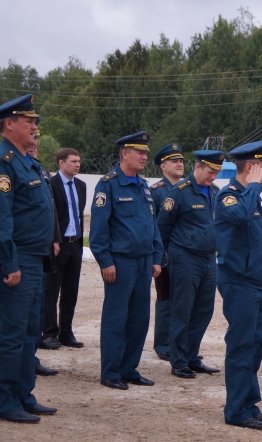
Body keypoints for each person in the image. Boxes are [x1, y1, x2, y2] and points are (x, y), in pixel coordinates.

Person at [214, 139, 262, 430]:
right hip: (239, 282)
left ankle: (249, 404)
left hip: (255, 282)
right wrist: (252, 186)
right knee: (241, 346)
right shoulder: (229, 196)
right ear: (252, 167)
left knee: (255, 345)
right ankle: (236, 411)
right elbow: (240, 217)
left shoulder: (251, 196)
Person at [89, 131, 163, 390]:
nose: (144, 156)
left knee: (139, 319)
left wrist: (156, 257)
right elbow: (98, 230)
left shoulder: (143, 185)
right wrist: (105, 261)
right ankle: (110, 372)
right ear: (124, 154)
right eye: (139, 152)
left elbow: (152, 226)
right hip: (120, 263)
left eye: (145, 152)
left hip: (144, 263)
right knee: (116, 318)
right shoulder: (108, 185)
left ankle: (129, 368)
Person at [0, 94, 58, 423]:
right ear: (9, 124)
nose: (35, 126)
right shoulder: (4, 162)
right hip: (17, 261)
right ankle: (5, 399)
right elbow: (3, 219)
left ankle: (24, 393)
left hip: (35, 261)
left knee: (29, 333)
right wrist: (10, 263)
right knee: (11, 334)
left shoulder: (29, 162)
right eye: (29, 121)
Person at [157, 150, 223, 379]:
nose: (213, 176)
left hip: (208, 259)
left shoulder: (215, 193)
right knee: (182, 310)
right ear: (197, 167)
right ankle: (178, 360)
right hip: (185, 257)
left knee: (204, 310)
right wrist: (163, 259)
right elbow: (162, 227)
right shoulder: (180, 193)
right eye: (210, 171)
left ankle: (192, 356)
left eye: (217, 172)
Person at [41, 148, 86, 352]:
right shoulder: (51, 184)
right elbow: (50, 214)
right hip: (57, 244)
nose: (77, 164)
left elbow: (78, 215)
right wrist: (53, 240)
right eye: (73, 161)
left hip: (75, 243)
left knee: (71, 290)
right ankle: (49, 333)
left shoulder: (81, 185)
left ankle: (66, 332)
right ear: (61, 162)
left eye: (78, 161)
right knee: (52, 289)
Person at [27, 131, 62, 378]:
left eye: (37, 142)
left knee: (35, 312)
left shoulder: (41, 173)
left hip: (40, 251)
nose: (34, 145)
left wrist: (54, 238)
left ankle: (30, 359)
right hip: (20, 252)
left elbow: (50, 211)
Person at [149, 143, 184, 361]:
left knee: (182, 300)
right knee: (165, 299)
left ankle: (178, 341)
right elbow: (154, 227)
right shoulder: (156, 192)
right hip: (164, 255)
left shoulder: (184, 190)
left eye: (181, 160)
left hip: (184, 255)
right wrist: (159, 256)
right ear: (163, 166)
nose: (180, 164)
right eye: (174, 161)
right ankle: (163, 344)